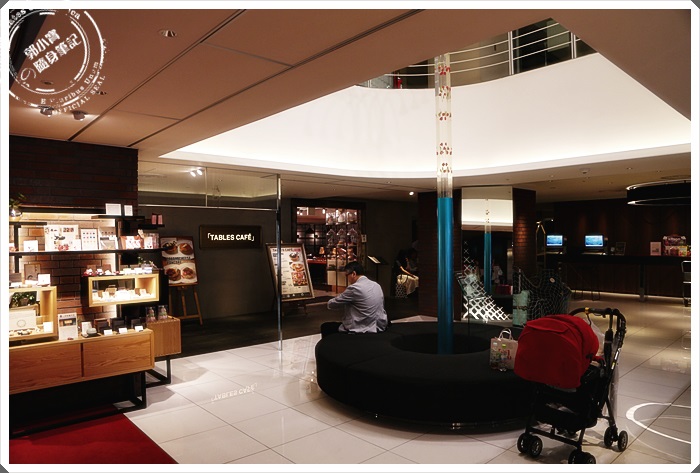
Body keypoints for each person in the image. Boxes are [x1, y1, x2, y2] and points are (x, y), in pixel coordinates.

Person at [321, 261, 389, 337]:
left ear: (353, 274)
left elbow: (332, 304)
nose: (347, 279)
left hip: (363, 328)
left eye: (346, 275)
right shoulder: (376, 285)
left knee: (326, 327)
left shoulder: (354, 288)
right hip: (379, 326)